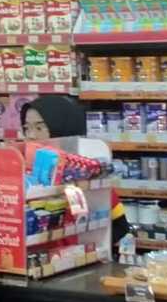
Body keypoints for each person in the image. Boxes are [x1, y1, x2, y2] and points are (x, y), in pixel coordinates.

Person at [21, 95, 130, 245]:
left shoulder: (85, 173)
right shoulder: (24, 174)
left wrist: (86, 249)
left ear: (63, 128)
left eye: (39, 128)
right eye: (26, 128)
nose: (31, 136)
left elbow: (120, 227)